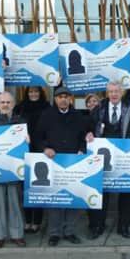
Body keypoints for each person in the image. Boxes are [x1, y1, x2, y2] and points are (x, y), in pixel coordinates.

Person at [86, 81, 130, 239]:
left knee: (126, 193)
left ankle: (124, 227)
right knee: (102, 193)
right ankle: (98, 225)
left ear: (122, 92)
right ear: (107, 93)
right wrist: (89, 133)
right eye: (111, 91)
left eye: (117, 91)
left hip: (124, 156)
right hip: (104, 157)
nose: (114, 94)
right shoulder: (99, 108)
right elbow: (89, 126)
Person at [35, 85, 91, 246]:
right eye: (60, 97)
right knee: (55, 199)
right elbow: (38, 136)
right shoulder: (46, 115)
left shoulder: (78, 116)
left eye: (66, 97)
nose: (63, 99)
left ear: (70, 99)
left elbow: (83, 136)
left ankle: (70, 231)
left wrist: (82, 149)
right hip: (54, 161)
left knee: (72, 197)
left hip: (73, 162)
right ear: (55, 99)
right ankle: (54, 233)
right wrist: (45, 148)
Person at [0, 92, 27, 249]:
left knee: (15, 202)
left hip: (14, 168)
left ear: (14, 104)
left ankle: (17, 235)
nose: (5, 104)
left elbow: (26, 146)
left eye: (8, 102)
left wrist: (27, 140)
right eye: (2, 102)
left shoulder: (20, 122)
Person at [16, 86, 50, 234]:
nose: (33, 94)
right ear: (27, 93)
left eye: (36, 91)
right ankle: (28, 220)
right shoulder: (20, 108)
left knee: (38, 186)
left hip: (40, 151)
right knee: (25, 189)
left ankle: (37, 221)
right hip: (23, 151)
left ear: (40, 93)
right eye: (31, 92)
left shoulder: (47, 107)